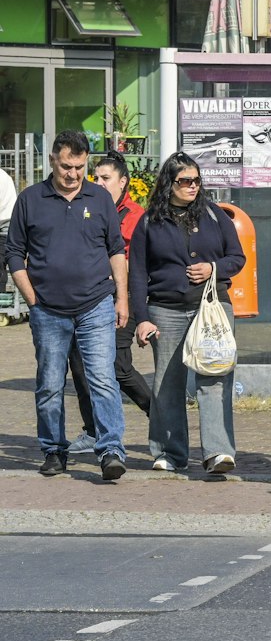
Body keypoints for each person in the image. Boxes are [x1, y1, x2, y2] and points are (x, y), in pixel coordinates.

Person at [6, 130, 130, 481]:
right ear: (52, 161)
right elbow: (14, 253)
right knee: (49, 383)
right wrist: (33, 300)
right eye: (65, 166)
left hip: (95, 305)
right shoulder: (30, 199)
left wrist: (121, 298)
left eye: (79, 167)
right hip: (48, 310)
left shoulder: (100, 198)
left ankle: (110, 451)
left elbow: (116, 250)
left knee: (103, 379)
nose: (72, 174)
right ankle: (53, 450)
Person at [131, 152, 246, 474]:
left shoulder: (213, 214)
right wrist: (142, 318)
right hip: (165, 309)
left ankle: (218, 452)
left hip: (211, 307)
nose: (193, 186)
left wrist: (213, 268)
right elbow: (137, 274)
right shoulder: (149, 221)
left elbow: (237, 257)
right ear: (169, 184)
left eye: (197, 181)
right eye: (185, 181)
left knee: (215, 377)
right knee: (167, 383)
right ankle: (170, 452)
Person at [67, 152, 152, 446]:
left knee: (117, 366)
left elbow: (133, 261)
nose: (99, 183)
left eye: (106, 178)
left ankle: (160, 414)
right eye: (96, 178)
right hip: (85, 296)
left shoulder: (135, 216)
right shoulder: (85, 209)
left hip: (122, 296)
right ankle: (93, 430)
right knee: (78, 365)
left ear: (123, 182)